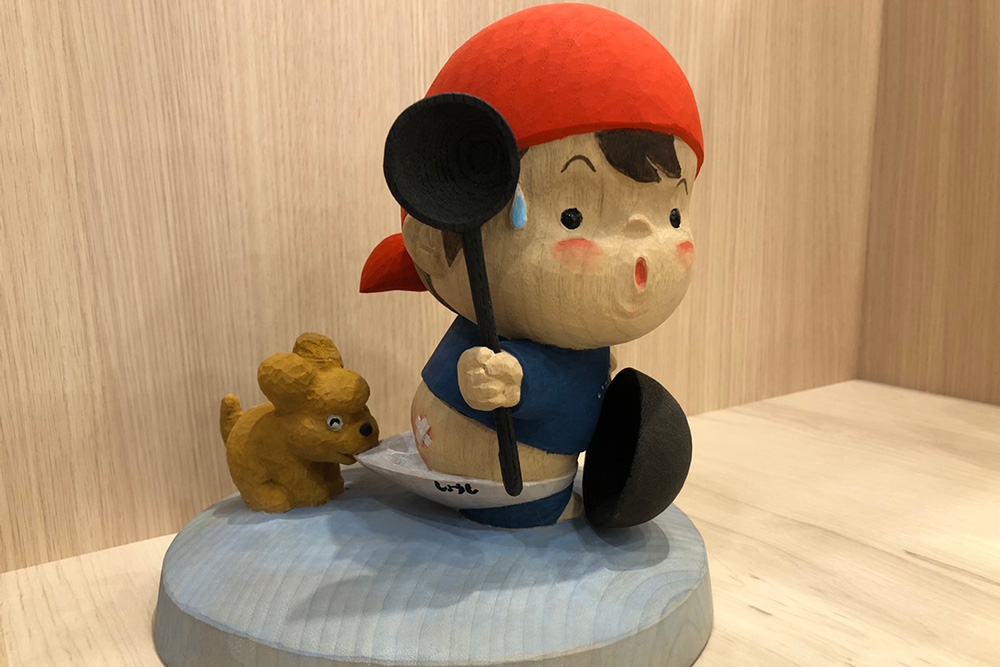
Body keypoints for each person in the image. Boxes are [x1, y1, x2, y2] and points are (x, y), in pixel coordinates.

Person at [361, 4, 703, 528]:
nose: (642, 257)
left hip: (539, 463)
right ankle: (534, 510)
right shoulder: (512, 334)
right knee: (533, 499)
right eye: (572, 216)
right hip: (502, 469)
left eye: (673, 215)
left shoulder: (583, 345)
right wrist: (516, 381)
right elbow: (533, 387)